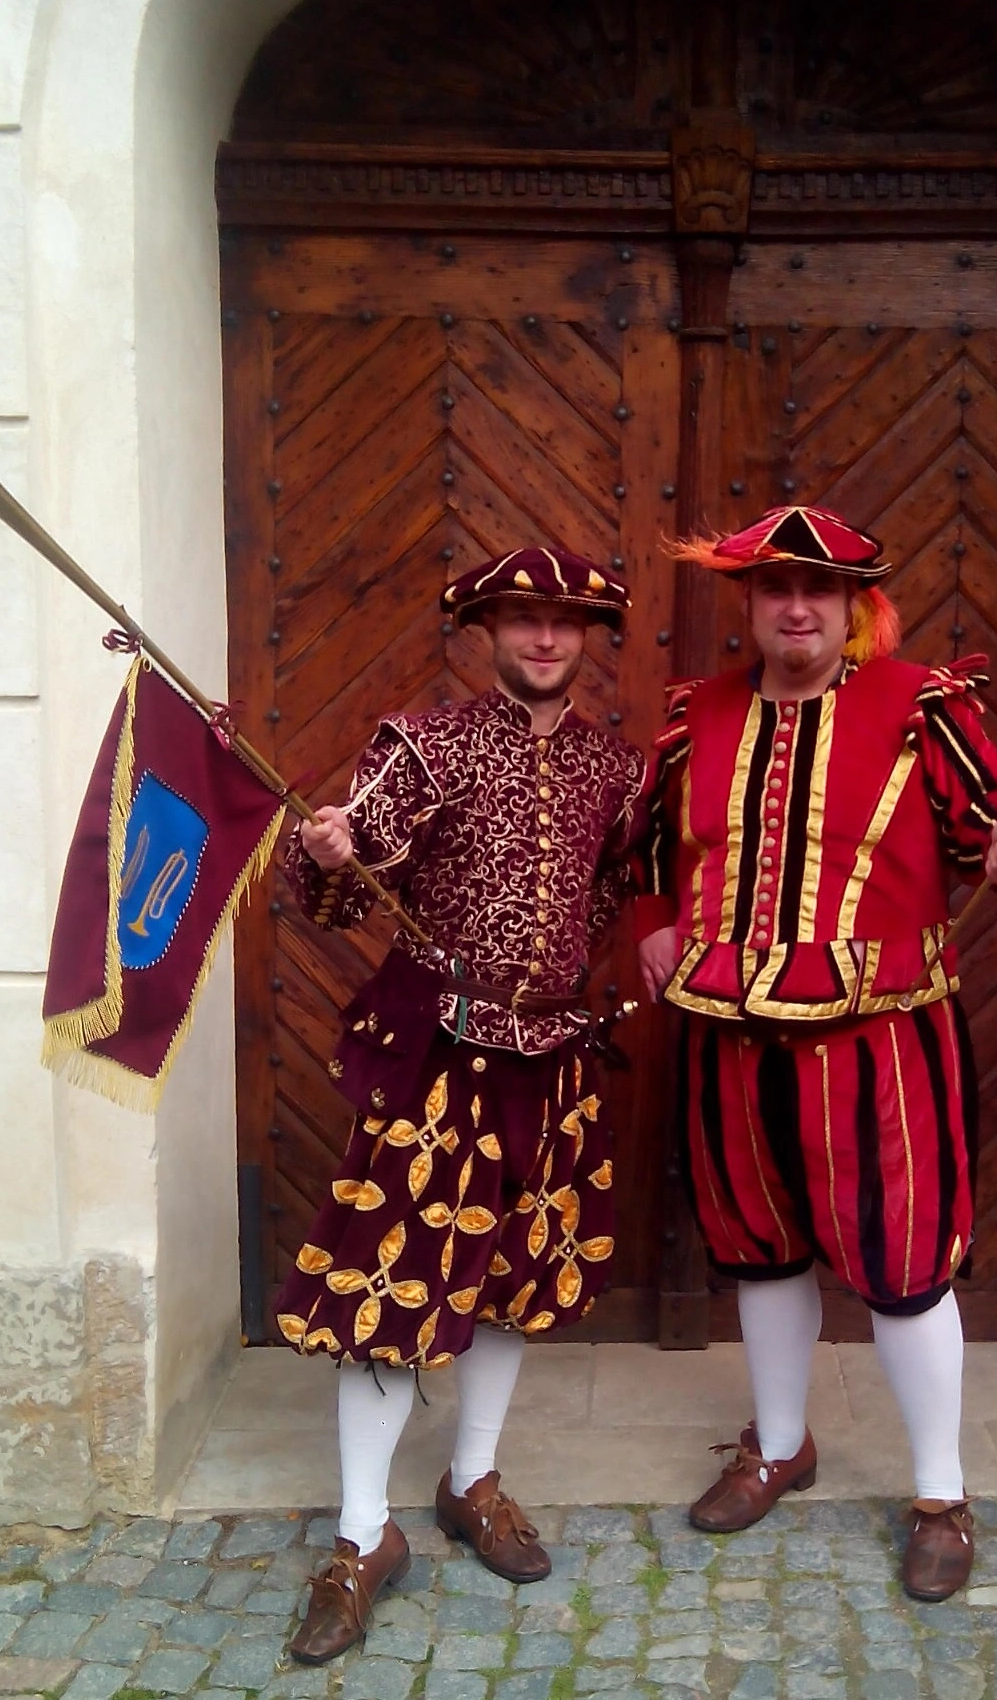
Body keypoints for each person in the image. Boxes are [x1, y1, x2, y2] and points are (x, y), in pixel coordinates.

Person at [635, 503, 997, 1601]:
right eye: (775, 588)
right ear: (750, 604)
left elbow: (991, 829)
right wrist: (657, 922)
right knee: (757, 1246)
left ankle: (940, 1494)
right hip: (727, 1029)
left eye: (819, 589)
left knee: (904, 1269)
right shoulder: (697, 713)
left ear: (855, 604)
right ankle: (779, 1445)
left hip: (880, 1035)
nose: (797, 607)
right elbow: (649, 848)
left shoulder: (920, 706)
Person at [277, 548, 648, 1661]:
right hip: (439, 1056)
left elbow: (614, 886)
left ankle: (470, 1478)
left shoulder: (616, 769)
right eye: (522, 617)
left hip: (555, 1054)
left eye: (565, 620)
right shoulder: (422, 745)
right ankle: (362, 1535)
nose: (545, 637)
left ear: (587, 639)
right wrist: (327, 849)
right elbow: (336, 891)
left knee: (512, 1279)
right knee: (385, 1287)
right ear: (485, 630)